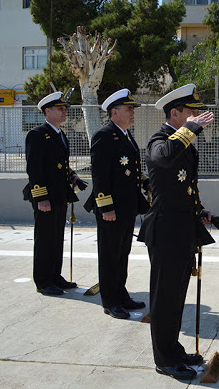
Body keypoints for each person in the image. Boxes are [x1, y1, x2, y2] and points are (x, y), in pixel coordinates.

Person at [137, 84, 215, 380]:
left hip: (182, 230)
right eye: (190, 112)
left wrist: (201, 211)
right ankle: (164, 360)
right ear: (175, 113)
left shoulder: (185, 144)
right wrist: (191, 129)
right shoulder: (160, 141)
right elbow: (163, 158)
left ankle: (174, 349)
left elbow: (185, 189)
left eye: (196, 113)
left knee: (176, 296)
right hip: (166, 231)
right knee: (164, 298)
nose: (196, 117)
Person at [85, 89, 150, 319]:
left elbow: (132, 171)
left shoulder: (126, 135)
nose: (133, 113)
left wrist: (146, 183)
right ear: (114, 112)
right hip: (111, 209)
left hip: (127, 206)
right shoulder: (104, 136)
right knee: (110, 255)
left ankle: (121, 294)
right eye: (129, 109)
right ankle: (110, 301)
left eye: (133, 109)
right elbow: (99, 176)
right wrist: (105, 207)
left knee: (123, 253)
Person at [25, 92, 88, 296]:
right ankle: (43, 281)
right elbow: (34, 170)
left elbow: (61, 166)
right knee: (44, 239)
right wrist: (41, 197)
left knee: (56, 237)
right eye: (60, 109)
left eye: (65, 109)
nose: (64, 112)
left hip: (60, 194)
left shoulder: (61, 135)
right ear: (47, 111)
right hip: (46, 197)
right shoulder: (37, 134)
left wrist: (74, 177)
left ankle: (55, 276)